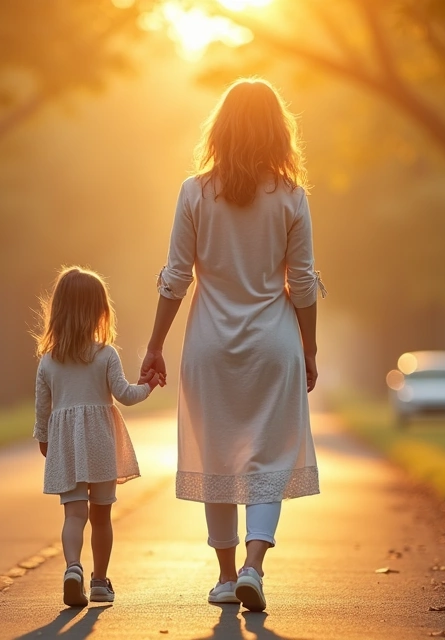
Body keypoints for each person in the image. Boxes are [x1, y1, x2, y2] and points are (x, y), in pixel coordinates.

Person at [140, 78, 324, 612]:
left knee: (216, 455)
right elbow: (302, 283)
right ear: (278, 132)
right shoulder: (291, 197)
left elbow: (176, 277)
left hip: (210, 346)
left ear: (220, 129)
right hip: (273, 345)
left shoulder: (195, 192)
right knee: (268, 455)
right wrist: (309, 348)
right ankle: (253, 567)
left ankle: (225, 577)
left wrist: (155, 345)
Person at [33, 266, 162, 607]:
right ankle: (100, 582)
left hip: (66, 445)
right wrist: (148, 384)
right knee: (101, 517)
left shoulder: (48, 361)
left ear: (57, 311)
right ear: (100, 312)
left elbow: (42, 408)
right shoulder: (105, 354)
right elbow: (125, 395)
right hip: (101, 443)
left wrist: (44, 439)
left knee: (74, 515)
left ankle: (72, 568)